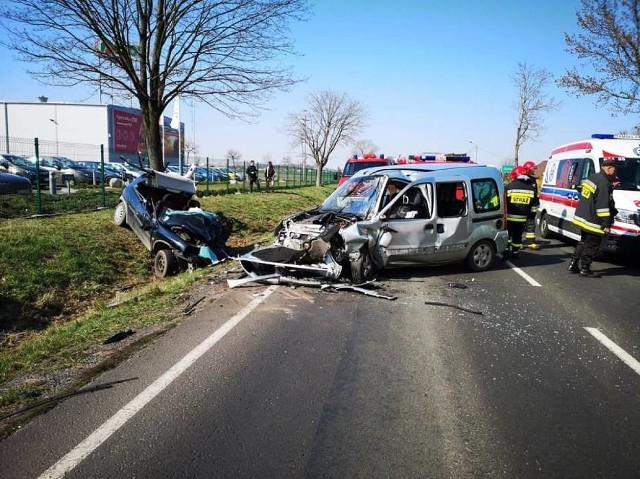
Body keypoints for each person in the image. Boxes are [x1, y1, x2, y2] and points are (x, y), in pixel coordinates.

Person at [568, 158, 618, 277]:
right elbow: (602, 206)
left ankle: (573, 264)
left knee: (583, 242)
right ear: (609, 169)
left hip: (583, 216)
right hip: (594, 220)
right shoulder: (604, 183)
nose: (615, 173)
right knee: (592, 245)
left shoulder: (593, 177)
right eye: (614, 170)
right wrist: (606, 224)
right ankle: (585, 269)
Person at [505, 165, 537, 259]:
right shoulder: (531, 189)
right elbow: (534, 206)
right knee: (517, 237)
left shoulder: (509, 187)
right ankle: (515, 253)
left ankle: (506, 252)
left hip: (509, 218)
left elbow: (504, 203)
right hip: (522, 219)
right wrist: (530, 216)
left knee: (507, 236)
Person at [520, 161, 540, 249]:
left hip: (531, 206)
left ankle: (530, 242)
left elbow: (534, 193)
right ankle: (517, 242)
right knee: (519, 225)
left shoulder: (533, 180)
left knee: (531, 224)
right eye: (532, 170)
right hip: (522, 207)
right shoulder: (522, 179)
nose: (534, 172)